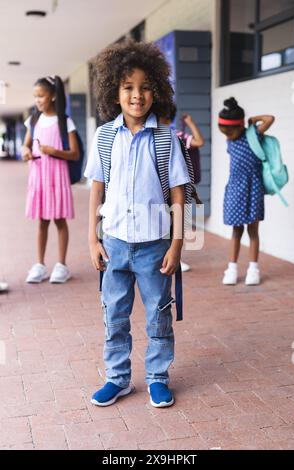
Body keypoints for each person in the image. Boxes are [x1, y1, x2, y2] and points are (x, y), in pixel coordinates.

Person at [85, 40, 190, 408]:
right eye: (128, 87)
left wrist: (177, 245)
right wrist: (92, 239)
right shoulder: (104, 138)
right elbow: (96, 190)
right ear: (114, 92)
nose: (137, 95)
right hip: (113, 244)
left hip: (154, 246)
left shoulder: (165, 139)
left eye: (145, 87)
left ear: (156, 91)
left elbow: (180, 195)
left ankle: (158, 378)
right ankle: (118, 378)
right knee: (114, 315)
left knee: (159, 316)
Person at [21, 76, 79, 284]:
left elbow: (75, 153)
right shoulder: (33, 120)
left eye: (41, 96)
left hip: (57, 176)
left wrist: (53, 151)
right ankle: (40, 265)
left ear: (53, 96)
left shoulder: (65, 121)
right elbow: (25, 145)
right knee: (42, 221)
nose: (37, 100)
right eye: (35, 96)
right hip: (39, 176)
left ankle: (61, 265)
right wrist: (26, 151)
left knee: (59, 220)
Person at [218, 97, 274, 286]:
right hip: (235, 189)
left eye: (230, 131)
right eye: (225, 132)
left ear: (240, 126)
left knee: (253, 230)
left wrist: (253, 120)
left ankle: (253, 269)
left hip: (253, 189)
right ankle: (232, 268)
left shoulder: (253, 135)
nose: (228, 135)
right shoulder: (230, 140)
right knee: (236, 230)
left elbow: (269, 118)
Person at [161, 105, 205, 272]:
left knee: (174, 221)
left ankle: (175, 255)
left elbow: (199, 142)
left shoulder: (176, 135)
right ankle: (170, 254)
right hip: (168, 186)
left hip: (177, 186)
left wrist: (190, 123)